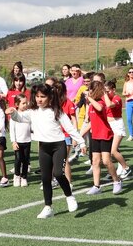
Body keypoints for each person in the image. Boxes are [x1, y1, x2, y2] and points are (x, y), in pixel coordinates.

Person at [9, 83, 85, 218]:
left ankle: (69, 196)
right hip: (43, 147)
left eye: (42, 96)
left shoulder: (57, 111)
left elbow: (70, 128)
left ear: (49, 97)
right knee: (45, 178)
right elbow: (20, 118)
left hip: (58, 146)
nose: (39, 99)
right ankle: (48, 207)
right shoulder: (32, 112)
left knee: (58, 173)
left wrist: (81, 142)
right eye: (37, 96)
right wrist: (13, 113)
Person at [84, 81, 121, 194]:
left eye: (91, 89)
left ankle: (116, 181)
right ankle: (97, 186)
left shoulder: (101, 102)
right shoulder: (91, 105)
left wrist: (89, 98)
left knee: (106, 161)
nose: (89, 91)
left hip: (105, 134)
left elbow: (100, 108)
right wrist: (79, 136)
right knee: (95, 161)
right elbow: (91, 123)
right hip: (95, 135)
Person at [103, 80, 132, 180]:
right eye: (105, 91)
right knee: (111, 150)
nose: (106, 93)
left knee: (113, 151)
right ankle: (115, 170)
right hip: (109, 125)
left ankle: (126, 167)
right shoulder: (106, 98)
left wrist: (104, 94)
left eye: (108, 91)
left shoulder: (117, 98)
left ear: (113, 90)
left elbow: (109, 105)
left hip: (117, 125)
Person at [9, 94, 33, 187]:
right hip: (18, 141)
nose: (25, 104)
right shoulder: (14, 115)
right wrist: (13, 141)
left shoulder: (29, 113)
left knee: (26, 160)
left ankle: (24, 177)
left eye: (26, 102)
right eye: (23, 103)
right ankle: (16, 175)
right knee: (18, 159)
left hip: (27, 141)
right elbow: (12, 130)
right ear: (17, 104)